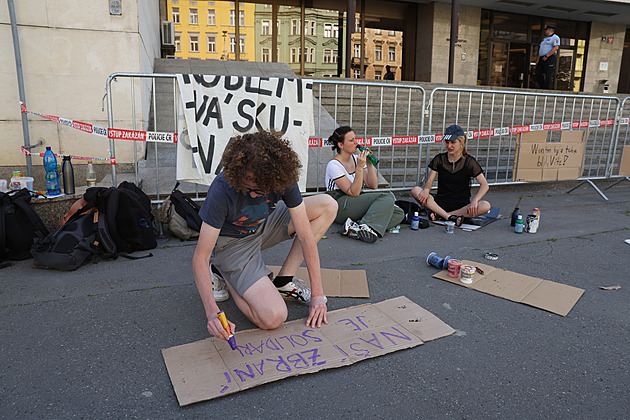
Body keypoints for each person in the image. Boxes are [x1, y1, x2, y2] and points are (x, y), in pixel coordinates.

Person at [192, 130, 338, 343]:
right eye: (247, 185)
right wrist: (212, 312)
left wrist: (317, 294)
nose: (252, 193)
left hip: (263, 224)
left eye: (259, 189)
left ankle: (284, 280)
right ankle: (225, 272)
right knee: (273, 317)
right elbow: (200, 257)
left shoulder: (282, 178)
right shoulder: (222, 188)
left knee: (327, 205)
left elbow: (306, 236)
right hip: (233, 245)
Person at [325, 126, 404, 243]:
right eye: (351, 140)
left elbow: (373, 185)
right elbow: (353, 192)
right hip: (339, 204)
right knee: (387, 197)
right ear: (341, 145)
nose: (356, 142)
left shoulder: (357, 158)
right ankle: (365, 226)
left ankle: (356, 227)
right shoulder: (334, 164)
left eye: (355, 139)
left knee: (398, 213)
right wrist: (360, 168)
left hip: (354, 202)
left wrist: (369, 164)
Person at [411, 124, 491, 226]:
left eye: (453, 142)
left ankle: (443, 215)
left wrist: (475, 201)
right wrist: (426, 190)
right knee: (416, 190)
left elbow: (485, 185)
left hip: (461, 205)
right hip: (441, 202)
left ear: (461, 142)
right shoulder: (439, 159)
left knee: (485, 206)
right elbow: (429, 181)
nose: (449, 146)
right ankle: (448, 217)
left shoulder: (469, 162)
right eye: (447, 142)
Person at [536, 24, 560, 89]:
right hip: (542, 58)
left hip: (549, 58)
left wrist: (547, 56)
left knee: (548, 74)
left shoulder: (555, 37)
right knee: (538, 73)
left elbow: (556, 47)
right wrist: (538, 59)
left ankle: (546, 88)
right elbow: (541, 49)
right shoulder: (545, 39)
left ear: (550, 30)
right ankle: (542, 87)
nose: (545, 31)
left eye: (546, 30)